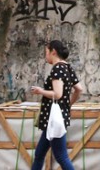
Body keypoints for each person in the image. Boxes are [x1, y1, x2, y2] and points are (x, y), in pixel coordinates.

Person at [30, 40, 83, 170]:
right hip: (56, 117)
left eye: (46, 53)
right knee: (39, 154)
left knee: (61, 156)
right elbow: (79, 89)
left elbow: (57, 94)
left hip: (54, 118)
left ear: (53, 52)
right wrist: (68, 105)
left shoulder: (57, 68)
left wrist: (40, 91)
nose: (45, 56)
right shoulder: (67, 67)